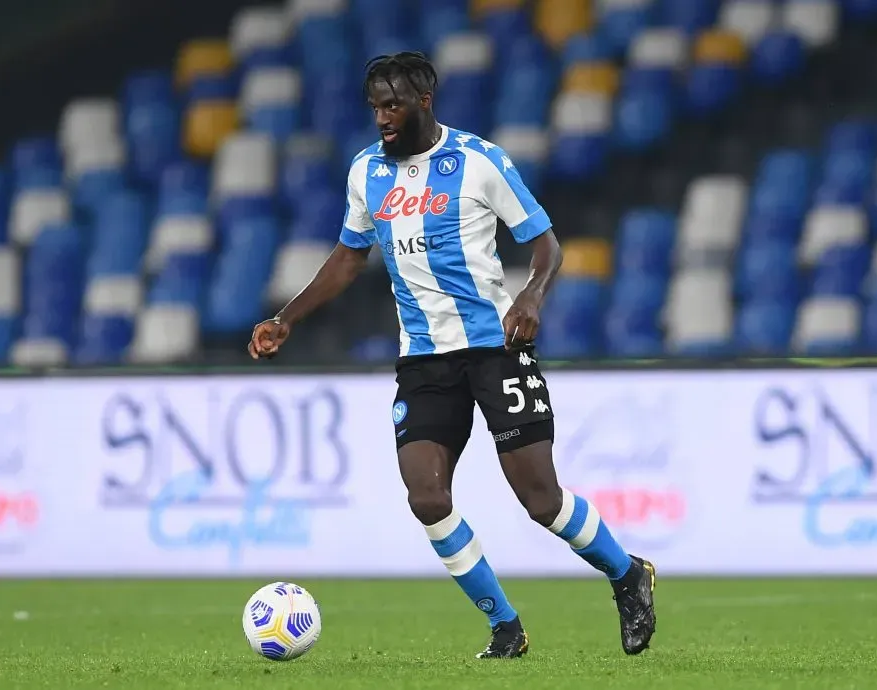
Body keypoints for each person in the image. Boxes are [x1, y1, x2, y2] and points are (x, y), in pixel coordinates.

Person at [248, 51, 657, 659]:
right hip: (424, 362)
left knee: (541, 501)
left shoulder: (478, 162)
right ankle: (506, 626)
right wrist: (286, 319)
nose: (382, 117)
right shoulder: (366, 172)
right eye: (375, 107)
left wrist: (532, 298)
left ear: (424, 101)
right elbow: (348, 257)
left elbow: (546, 245)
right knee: (427, 497)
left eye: (393, 105)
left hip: (496, 348)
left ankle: (627, 575)